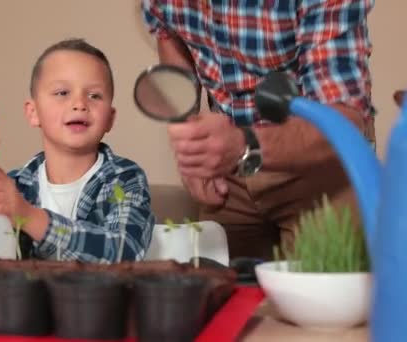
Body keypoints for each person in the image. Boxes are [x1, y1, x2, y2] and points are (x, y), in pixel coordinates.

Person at [141, 0, 375, 259]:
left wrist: (244, 145)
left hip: (320, 164)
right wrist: (192, 138)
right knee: (219, 291)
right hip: (227, 177)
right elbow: (168, 32)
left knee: (324, 295)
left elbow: (344, 122)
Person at [0, 38, 155, 263]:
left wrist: (27, 215)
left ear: (109, 119)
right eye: (62, 93)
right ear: (33, 112)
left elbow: (125, 252)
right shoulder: (13, 187)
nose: (79, 103)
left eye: (94, 96)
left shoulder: (126, 178)